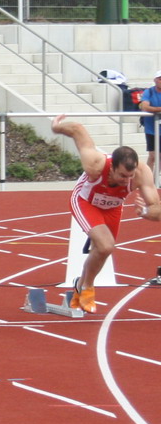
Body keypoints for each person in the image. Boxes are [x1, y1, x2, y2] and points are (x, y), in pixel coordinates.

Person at [51, 114, 160, 313]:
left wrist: (145, 211)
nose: (126, 180)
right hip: (85, 201)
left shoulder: (142, 173)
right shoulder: (95, 164)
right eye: (122, 175)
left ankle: (80, 286)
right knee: (105, 244)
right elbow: (77, 129)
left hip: (113, 207)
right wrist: (56, 127)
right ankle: (87, 287)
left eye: (130, 176)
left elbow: (157, 209)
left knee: (104, 250)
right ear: (112, 168)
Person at [138, 69, 161, 174]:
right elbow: (144, 107)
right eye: (160, 79)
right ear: (155, 80)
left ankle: (155, 179)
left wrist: (155, 109)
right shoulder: (149, 92)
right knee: (152, 156)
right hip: (151, 129)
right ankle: (148, 178)